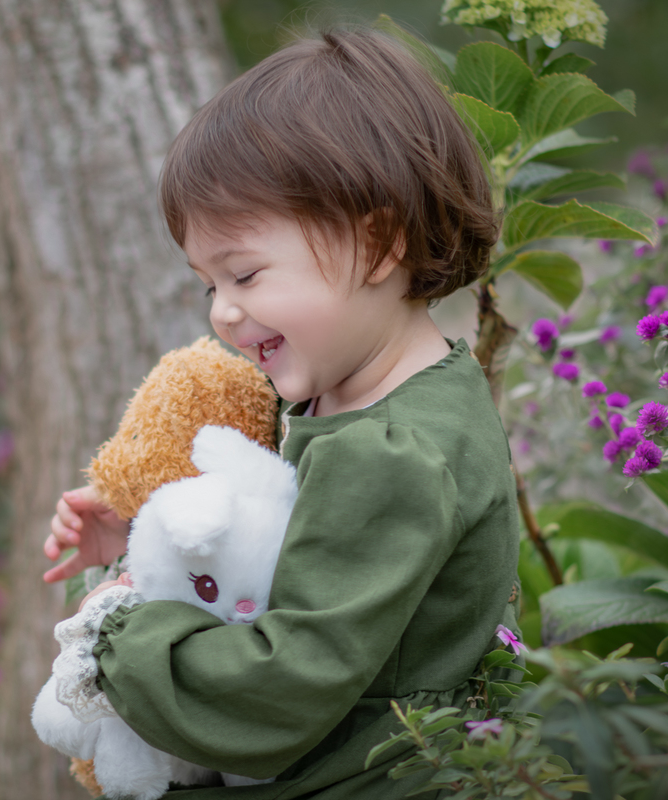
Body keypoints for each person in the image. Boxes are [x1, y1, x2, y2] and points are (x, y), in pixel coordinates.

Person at [43, 25, 520, 800]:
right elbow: (281, 566)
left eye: (246, 274)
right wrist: (141, 543)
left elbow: (280, 688)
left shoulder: (392, 451)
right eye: (209, 285)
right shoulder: (354, 397)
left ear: (378, 244)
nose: (224, 314)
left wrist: (118, 627)